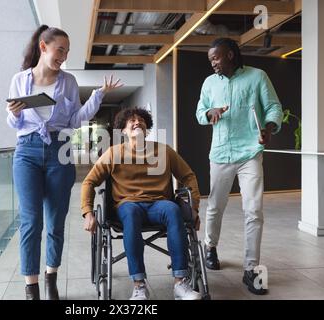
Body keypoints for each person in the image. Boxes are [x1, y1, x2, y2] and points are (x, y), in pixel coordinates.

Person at [6, 25, 122, 300]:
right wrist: (13, 112)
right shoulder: (20, 80)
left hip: (61, 149)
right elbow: (14, 124)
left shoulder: (68, 81)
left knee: (56, 222)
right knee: (31, 222)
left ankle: (51, 278)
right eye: (60, 50)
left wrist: (98, 96)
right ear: (43, 47)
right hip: (27, 151)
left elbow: (75, 122)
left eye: (67, 52)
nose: (64, 56)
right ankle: (31, 288)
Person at [81, 107, 202, 300]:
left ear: (147, 128)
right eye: (132, 121)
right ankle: (139, 286)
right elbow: (89, 182)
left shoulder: (164, 151)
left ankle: (180, 283)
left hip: (159, 204)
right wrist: (88, 212)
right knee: (130, 213)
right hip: (128, 205)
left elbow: (188, 176)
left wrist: (194, 207)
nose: (137, 123)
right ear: (124, 130)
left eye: (141, 121)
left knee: (173, 210)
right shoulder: (113, 153)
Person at [196, 38, 283, 295]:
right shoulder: (210, 83)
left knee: (254, 210)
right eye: (211, 59)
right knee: (215, 207)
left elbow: (273, 107)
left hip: (250, 153)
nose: (213, 63)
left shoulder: (258, 77)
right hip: (221, 153)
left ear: (231, 55)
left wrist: (268, 128)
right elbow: (200, 111)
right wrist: (209, 112)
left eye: (217, 58)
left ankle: (250, 268)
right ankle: (210, 247)